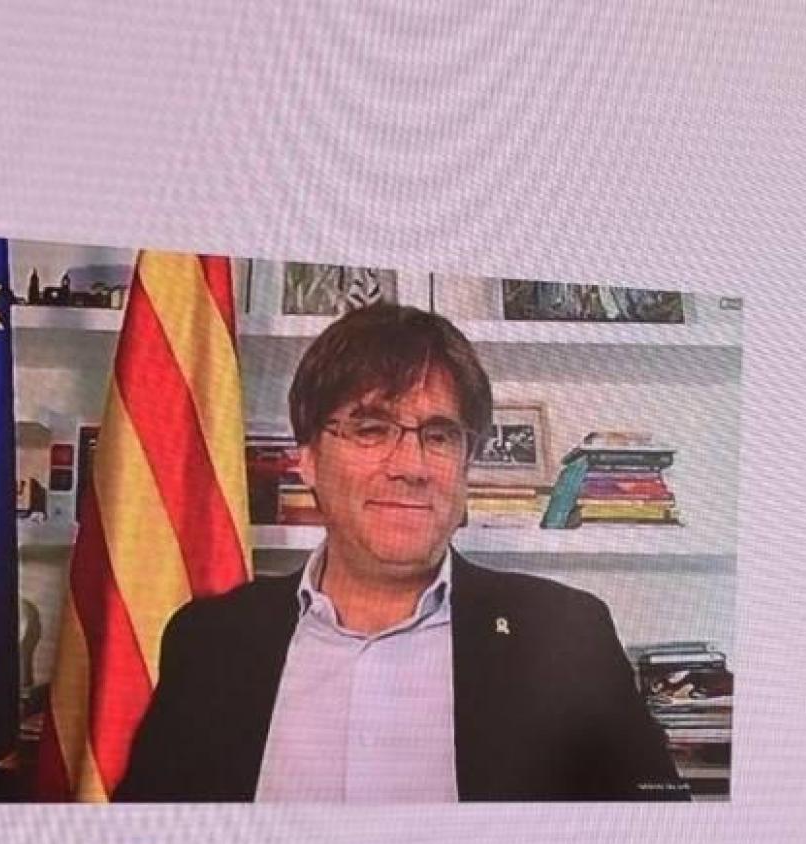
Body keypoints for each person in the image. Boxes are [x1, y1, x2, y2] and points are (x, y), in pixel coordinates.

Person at [115, 303, 687, 802]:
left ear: (466, 463)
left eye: (438, 436)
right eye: (371, 430)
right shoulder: (210, 641)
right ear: (307, 458)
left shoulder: (568, 636)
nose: (411, 467)